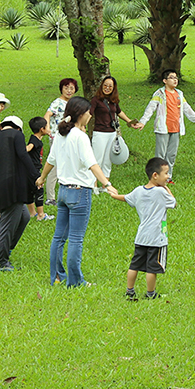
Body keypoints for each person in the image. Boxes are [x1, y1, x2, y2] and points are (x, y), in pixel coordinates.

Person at [37, 97, 118, 287]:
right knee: (75, 239)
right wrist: (106, 184)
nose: (91, 115)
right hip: (80, 192)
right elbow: (93, 164)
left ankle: (57, 277)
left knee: (59, 237)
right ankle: (75, 281)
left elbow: (51, 160)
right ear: (81, 114)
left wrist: (41, 178)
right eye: (89, 112)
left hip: (63, 191)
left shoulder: (61, 133)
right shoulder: (80, 137)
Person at [0, 115, 39, 271]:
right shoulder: (16, 135)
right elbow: (24, 155)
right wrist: (36, 176)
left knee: (24, 216)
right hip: (13, 187)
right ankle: (1, 261)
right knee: (7, 224)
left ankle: (3, 248)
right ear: (18, 128)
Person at [111, 157, 176, 301]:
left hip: (141, 236)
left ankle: (130, 291)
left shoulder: (138, 191)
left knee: (134, 265)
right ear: (155, 175)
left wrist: (113, 195)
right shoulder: (161, 192)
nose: (168, 177)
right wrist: (166, 188)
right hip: (157, 238)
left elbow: (126, 198)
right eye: (166, 173)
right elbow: (173, 202)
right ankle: (150, 293)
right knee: (152, 268)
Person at [137, 69, 195, 182]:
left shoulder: (179, 94)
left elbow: (187, 109)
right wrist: (143, 122)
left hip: (176, 128)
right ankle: (156, 177)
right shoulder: (160, 94)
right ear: (165, 80)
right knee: (160, 155)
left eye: (176, 78)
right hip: (163, 128)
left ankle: (168, 177)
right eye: (172, 78)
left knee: (171, 155)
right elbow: (150, 109)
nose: (175, 80)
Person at [89, 77, 138, 191]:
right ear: (101, 86)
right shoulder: (96, 100)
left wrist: (130, 122)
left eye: (110, 86)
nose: (107, 88)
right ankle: (93, 185)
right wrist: (81, 126)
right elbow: (89, 113)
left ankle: (105, 186)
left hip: (111, 133)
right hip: (100, 133)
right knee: (97, 159)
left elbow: (119, 112)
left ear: (114, 88)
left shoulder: (114, 100)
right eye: (105, 85)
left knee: (107, 160)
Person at [44, 78, 78, 205]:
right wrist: (47, 128)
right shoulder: (57, 103)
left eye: (71, 88)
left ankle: (67, 193)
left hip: (70, 138)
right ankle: (50, 197)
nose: (69, 91)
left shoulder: (73, 103)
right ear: (61, 89)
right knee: (54, 166)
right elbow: (47, 115)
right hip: (57, 137)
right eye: (66, 87)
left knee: (68, 164)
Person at [26, 117, 52, 221]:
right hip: (34, 170)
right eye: (47, 127)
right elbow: (29, 148)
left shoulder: (36, 138)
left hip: (29, 170)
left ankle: (32, 213)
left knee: (30, 190)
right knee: (39, 189)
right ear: (42, 129)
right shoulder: (34, 140)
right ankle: (41, 215)